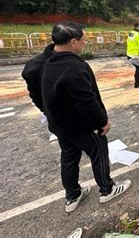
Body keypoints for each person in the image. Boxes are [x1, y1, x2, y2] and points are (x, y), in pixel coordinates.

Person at [24, 21, 131, 213]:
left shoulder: (46, 62)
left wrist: (47, 112)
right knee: (99, 153)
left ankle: (72, 196)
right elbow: (87, 101)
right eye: (84, 40)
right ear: (73, 42)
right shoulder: (73, 67)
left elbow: (38, 94)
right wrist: (102, 122)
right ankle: (107, 190)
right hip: (80, 125)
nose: (85, 43)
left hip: (59, 125)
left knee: (69, 157)